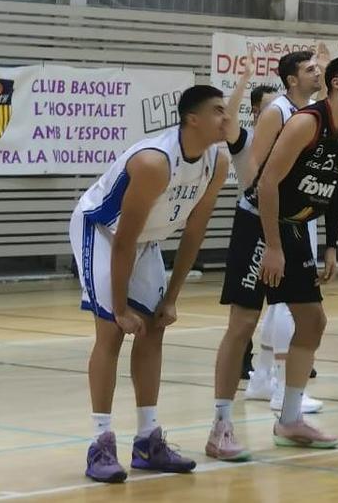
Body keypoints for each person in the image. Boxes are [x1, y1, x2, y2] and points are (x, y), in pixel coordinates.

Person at [206, 55, 338, 460]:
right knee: (243, 322)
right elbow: (265, 183)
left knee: (313, 320)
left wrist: (331, 245)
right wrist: (273, 246)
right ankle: (220, 427)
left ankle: (291, 419)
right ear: (336, 83)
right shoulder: (304, 122)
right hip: (259, 222)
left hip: (295, 226)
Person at [72, 85, 231, 482]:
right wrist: (122, 307)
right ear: (192, 119)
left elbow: (195, 230)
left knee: (154, 328)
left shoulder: (218, 161)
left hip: (146, 239)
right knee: (111, 332)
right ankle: (100, 444)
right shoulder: (154, 162)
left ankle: (147, 441)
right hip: (103, 232)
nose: (226, 118)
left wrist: (172, 297)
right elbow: (123, 240)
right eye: (217, 111)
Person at [236, 48, 337, 414]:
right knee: (285, 302)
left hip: (299, 214)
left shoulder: (309, 112)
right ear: (292, 79)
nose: (318, 73)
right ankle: (281, 387)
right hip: (275, 218)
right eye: (311, 69)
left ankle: (262, 379)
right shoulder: (278, 110)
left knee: (280, 303)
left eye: (319, 68)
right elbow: (255, 169)